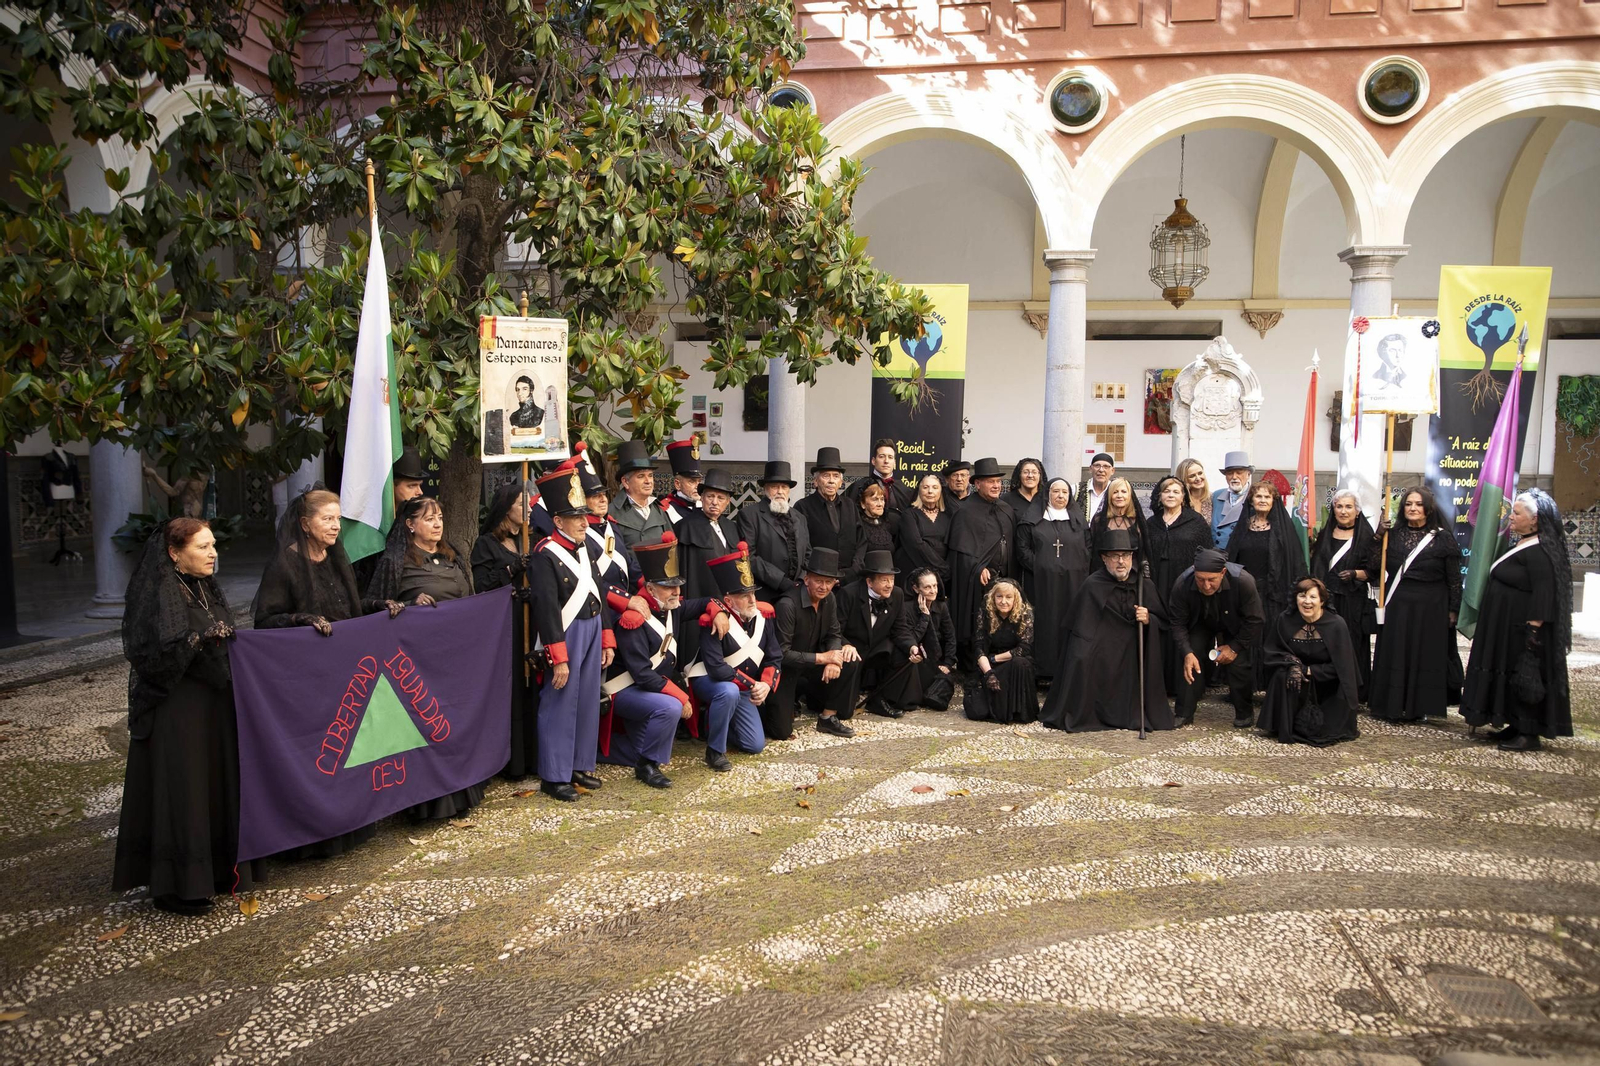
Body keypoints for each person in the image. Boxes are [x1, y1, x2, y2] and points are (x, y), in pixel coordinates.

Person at [115, 519, 260, 916]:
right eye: (202, 547)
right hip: (176, 710)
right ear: (174, 553)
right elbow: (149, 656)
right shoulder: (158, 593)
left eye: (213, 545)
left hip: (212, 705)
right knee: (184, 791)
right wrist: (199, 639)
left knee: (212, 785)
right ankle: (176, 884)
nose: (213, 554)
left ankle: (218, 871)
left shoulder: (204, 586)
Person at [255, 489, 403, 857]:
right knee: (323, 752)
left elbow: (347, 606)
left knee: (352, 746)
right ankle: (316, 833)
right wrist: (300, 619)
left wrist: (378, 604)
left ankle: (352, 820)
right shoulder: (285, 564)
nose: (336, 526)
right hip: (309, 675)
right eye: (327, 519)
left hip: (346, 667)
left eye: (338, 519)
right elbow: (265, 621)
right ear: (305, 524)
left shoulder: (337, 555)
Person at [366, 497, 485, 820]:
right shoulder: (395, 561)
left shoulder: (452, 556)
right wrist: (408, 605)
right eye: (429, 518)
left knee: (455, 723)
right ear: (410, 524)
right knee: (427, 726)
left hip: (455, 655)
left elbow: (470, 599)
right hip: (417, 662)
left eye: (440, 517)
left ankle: (461, 791)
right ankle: (427, 802)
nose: (437, 524)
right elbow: (371, 605)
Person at [529, 460, 617, 800]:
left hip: (592, 628)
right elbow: (547, 609)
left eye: (584, 516)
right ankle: (554, 774)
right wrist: (558, 657)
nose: (584, 522)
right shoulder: (545, 554)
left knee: (587, 700)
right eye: (576, 517)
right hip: (566, 633)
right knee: (561, 701)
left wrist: (606, 636)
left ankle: (578, 764)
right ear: (557, 521)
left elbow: (599, 592)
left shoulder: (586, 547)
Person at [1461, 489, 1573, 751]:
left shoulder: (1542, 550)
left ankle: (1528, 732)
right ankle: (1514, 724)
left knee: (1525, 676)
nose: (1511, 517)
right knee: (1510, 673)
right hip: (1506, 626)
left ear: (1534, 520)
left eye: (1517, 513)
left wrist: (1533, 629)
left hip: (1524, 628)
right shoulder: (1524, 542)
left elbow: (1545, 592)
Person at [1040, 530, 1172, 733]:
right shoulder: (1093, 584)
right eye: (1115, 556)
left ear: (1132, 557)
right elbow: (1081, 625)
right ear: (1104, 558)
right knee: (1081, 657)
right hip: (1101, 643)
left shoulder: (1144, 584)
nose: (1121, 561)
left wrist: (1148, 619)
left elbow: (1163, 622)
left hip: (1132, 643)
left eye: (1125, 555)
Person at [600, 532, 702, 789]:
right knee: (670, 707)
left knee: (639, 748)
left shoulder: (669, 607)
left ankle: (602, 751)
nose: (676, 592)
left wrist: (718, 610)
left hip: (645, 688)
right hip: (624, 689)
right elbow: (642, 675)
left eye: (678, 586)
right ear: (650, 588)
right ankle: (647, 766)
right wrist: (681, 696)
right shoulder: (633, 620)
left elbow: (702, 604)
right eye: (669, 587)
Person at [1369, 486, 1462, 723]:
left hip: (1431, 606)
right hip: (1398, 603)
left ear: (1428, 509)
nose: (1413, 508)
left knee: (1424, 654)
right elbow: (1373, 567)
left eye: (1418, 504)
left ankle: (1419, 706)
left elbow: (1454, 578)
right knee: (1396, 652)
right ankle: (1391, 704)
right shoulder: (1392, 534)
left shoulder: (1442, 538)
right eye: (1409, 504)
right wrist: (1378, 536)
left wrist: (1453, 609)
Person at [472, 479, 540, 780]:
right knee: (510, 689)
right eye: (521, 503)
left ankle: (534, 756)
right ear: (505, 508)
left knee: (531, 688)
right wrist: (512, 570)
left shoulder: (529, 540)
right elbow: (481, 585)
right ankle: (510, 762)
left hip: (530, 621)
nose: (528, 508)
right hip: (504, 627)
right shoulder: (486, 544)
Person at [692, 541, 782, 770]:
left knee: (754, 745)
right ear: (729, 601)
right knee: (728, 692)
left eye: (753, 594)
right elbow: (716, 668)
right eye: (744, 596)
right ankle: (715, 751)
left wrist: (766, 684)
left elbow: (774, 657)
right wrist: (753, 684)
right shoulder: (713, 620)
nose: (752, 600)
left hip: (742, 687)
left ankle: (713, 722)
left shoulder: (764, 617)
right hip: (712, 681)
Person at [1257, 577, 1362, 746]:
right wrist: (1293, 665)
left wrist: (1308, 670)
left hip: (1327, 682)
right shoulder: (1285, 620)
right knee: (1282, 674)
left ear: (1322, 601)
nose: (1307, 602)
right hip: (1297, 679)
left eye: (1313, 597)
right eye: (1302, 596)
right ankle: (1284, 723)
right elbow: (1273, 651)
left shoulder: (1336, 624)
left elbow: (1344, 666)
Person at [1167, 548, 1265, 728]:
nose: (1206, 586)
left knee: (1238, 664)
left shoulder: (1243, 581)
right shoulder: (1182, 583)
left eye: (1211, 580)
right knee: (1191, 657)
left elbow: (1255, 620)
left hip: (1234, 623)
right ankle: (1184, 712)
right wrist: (1187, 652)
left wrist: (1234, 647)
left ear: (1223, 572)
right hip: (1200, 621)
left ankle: (1244, 712)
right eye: (1200, 580)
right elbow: (1177, 623)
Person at [772, 547, 862, 739]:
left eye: (829, 582)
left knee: (850, 660)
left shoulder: (830, 599)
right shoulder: (787, 605)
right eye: (819, 581)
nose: (824, 587)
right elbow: (782, 653)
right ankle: (789, 700)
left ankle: (827, 717)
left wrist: (834, 659)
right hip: (786, 670)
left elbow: (834, 634)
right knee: (780, 731)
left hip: (811, 667)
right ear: (807, 580)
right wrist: (823, 658)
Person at [1226, 479, 1308, 691]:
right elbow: (1232, 558)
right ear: (1251, 500)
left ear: (1273, 501)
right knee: (1247, 635)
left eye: (1267, 496)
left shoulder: (1282, 530)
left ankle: (1270, 685)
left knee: (1269, 636)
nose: (1262, 500)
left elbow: (1294, 562)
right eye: (1258, 496)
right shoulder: (1242, 527)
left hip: (1272, 593)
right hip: (1245, 592)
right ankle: (1245, 685)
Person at [1144, 475, 1214, 697]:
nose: (1171, 495)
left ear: (1183, 496)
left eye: (1176, 491)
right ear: (1160, 496)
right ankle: (1160, 684)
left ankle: (1186, 684)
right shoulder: (1151, 523)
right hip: (1158, 583)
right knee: (1160, 627)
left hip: (1186, 585)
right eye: (1167, 491)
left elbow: (1206, 554)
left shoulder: (1196, 522)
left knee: (1185, 628)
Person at [946, 457, 1016, 671]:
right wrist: (978, 567)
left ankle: (997, 664)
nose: (996, 486)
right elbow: (960, 551)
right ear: (977, 484)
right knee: (977, 624)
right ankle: (973, 668)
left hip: (1004, 579)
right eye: (990, 481)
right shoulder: (965, 511)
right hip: (978, 582)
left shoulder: (1006, 509)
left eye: (998, 481)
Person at [1309, 489, 1379, 702]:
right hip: (1326, 598)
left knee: (1351, 643)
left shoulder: (1365, 536)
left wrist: (1355, 573)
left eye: (1348, 506)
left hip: (1352, 599)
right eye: (1339, 506)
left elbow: (1374, 570)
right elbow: (1317, 563)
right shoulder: (1325, 534)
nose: (1343, 511)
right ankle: (1325, 688)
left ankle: (1351, 690)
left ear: (1357, 511)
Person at [1018, 477, 1089, 684]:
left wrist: (1076, 568)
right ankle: (1043, 671)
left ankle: (1068, 671)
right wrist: (1041, 566)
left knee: (1069, 622)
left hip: (1072, 584)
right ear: (1047, 494)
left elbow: (1088, 549)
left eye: (1065, 492)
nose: (1060, 496)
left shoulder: (1079, 522)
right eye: (1056, 491)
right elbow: (1022, 548)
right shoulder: (1032, 520)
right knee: (1044, 622)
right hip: (1041, 584)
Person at [835, 550, 919, 717]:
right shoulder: (849, 594)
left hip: (877, 649)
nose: (889, 585)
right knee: (844, 712)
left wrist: (912, 646)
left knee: (905, 654)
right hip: (853, 652)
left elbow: (900, 629)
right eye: (884, 580)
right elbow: (835, 629)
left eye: (892, 579)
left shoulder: (897, 594)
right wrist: (846, 645)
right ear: (869, 581)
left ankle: (880, 699)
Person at [965, 578, 1038, 724]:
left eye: (1008, 597)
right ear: (993, 598)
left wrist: (994, 659)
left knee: (1020, 663)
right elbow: (979, 647)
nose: (1003, 601)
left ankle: (1017, 711)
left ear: (1015, 598)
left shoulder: (1025, 613)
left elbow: (1024, 648)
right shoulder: (985, 613)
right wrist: (989, 673)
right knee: (977, 711)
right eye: (999, 596)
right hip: (989, 666)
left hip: (1014, 663)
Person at [353, 446, 427, 588]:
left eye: (419, 485)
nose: (419, 492)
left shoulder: (418, 520)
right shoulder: (370, 525)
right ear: (390, 486)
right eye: (411, 486)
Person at [737, 460, 810, 604]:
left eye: (784, 487)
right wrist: (781, 581)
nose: (780, 491)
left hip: (797, 593)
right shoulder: (749, 515)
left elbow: (808, 552)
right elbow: (748, 556)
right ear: (765, 488)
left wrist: (802, 579)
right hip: (765, 594)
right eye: (774, 487)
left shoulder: (799, 517)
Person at [794, 447, 862, 587]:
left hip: (849, 581)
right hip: (819, 582)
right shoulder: (802, 507)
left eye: (835, 476)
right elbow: (802, 547)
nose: (831, 481)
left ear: (841, 482)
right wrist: (822, 574)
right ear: (815, 481)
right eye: (826, 476)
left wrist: (853, 570)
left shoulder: (850, 505)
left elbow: (862, 541)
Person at [679, 467, 739, 603]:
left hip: (729, 597)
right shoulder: (686, 527)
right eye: (710, 496)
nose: (715, 502)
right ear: (702, 497)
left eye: (720, 498)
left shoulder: (731, 527)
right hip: (700, 596)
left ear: (728, 502)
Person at [903, 567, 957, 711]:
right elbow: (911, 638)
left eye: (935, 586)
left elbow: (950, 637)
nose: (933, 591)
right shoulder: (907, 608)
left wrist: (948, 664)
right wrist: (925, 616)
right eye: (927, 587)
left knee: (941, 684)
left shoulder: (941, 606)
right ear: (916, 589)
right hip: (916, 657)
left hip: (935, 658)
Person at [608, 440, 671, 549]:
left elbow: (672, 545)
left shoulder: (659, 510)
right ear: (625, 482)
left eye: (650, 475)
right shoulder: (612, 513)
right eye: (641, 476)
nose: (648, 481)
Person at [896, 472, 952, 591]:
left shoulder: (948, 516)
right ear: (919, 491)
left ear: (941, 491)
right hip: (914, 572)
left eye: (935, 487)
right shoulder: (909, 514)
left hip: (941, 578)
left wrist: (943, 571)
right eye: (925, 487)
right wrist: (942, 568)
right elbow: (915, 544)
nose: (930, 491)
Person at [848, 437, 914, 517]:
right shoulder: (859, 486)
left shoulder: (904, 489)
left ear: (894, 463)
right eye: (882, 456)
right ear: (873, 461)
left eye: (890, 457)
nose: (886, 461)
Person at [852, 481, 898, 576]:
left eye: (882, 499)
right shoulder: (857, 526)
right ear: (863, 504)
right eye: (875, 500)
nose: (880, 504)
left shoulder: (889, 523)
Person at [1210, 451, 1252, 549]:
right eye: (1230, 473)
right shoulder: (1216, 496)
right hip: (1217, 554)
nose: (1234, 477)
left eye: (1239, 473)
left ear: (1248, 474)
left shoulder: (1256, 497)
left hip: (1241, 554)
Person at [657, 438, 703, 527]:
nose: (697, 486)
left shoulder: (704, 506)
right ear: (677, 484)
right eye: (692, 482)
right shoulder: (665, 509)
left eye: (699, 481)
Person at [1003, 458, 1047, 525]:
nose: (1030, 476)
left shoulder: (1046, 498)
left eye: (1034, 472)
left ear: (1040, 475)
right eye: (1026, 472)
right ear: (1019, 475)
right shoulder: (1006, 499)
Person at [1176, 457, 1212, 524]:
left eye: (1200, 473)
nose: (1198, 478)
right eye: (1192, 476)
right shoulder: (1179, 501)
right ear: (1184, 479)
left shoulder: (1213, 499)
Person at [1081, 452, 1114, 523]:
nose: (1101, 470)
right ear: (1090, 469)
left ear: (1112, 471)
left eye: (1106, 466)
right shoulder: (1076, 490)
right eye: (1097, 466)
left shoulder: (1116, 491)